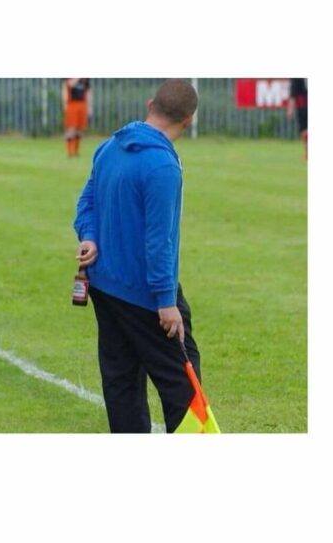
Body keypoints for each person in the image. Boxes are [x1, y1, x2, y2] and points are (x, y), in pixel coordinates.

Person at [73, 79, 203, 433]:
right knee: (183, 387)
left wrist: (89, 237)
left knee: (121, 384)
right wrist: (165, 300)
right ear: (188, 121)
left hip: (104, 287)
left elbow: (86, 204)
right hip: (146, 296)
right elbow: (158, 241)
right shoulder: (163, 166)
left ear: (150, 104)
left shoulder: (108, 147)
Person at [62, 78, 92, 157]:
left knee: (80, 129)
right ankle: (69, 152)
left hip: (82, 104)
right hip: (71, 104)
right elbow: (69, 85)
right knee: (71, 128)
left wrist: (89, 107)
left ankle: (76, 151)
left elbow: (88, 91)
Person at [287, 78, 308, 160]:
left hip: (302, 105)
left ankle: (308, 153)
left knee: (304, 130)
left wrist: (290, 109)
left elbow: (293, 93)